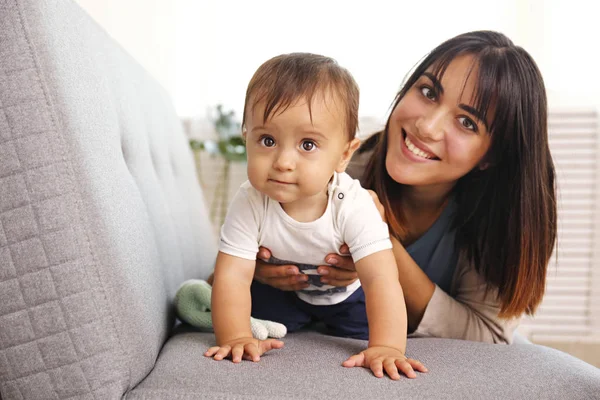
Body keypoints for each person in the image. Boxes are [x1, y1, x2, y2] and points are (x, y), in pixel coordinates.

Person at [252, 30, 557, 344]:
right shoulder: (329, 171)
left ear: (491, 156)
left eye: (467, 122)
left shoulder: (500, 214)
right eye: (428, 92)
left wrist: (375, 241)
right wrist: (259, 272)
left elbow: (489, 335)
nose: (427, 126)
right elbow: (220, 275)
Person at [205, 53, 427, 380]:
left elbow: (380, 278)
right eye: (267, 140)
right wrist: (236, 337)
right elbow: (232, 276)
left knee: (370, 326)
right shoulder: (250, 201)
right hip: (282, 291)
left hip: (346, 296)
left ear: (344, 155)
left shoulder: (353, 204)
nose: (283, 161)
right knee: (252, 312)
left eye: (307, 144)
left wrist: (388, 347)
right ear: (246, 137)